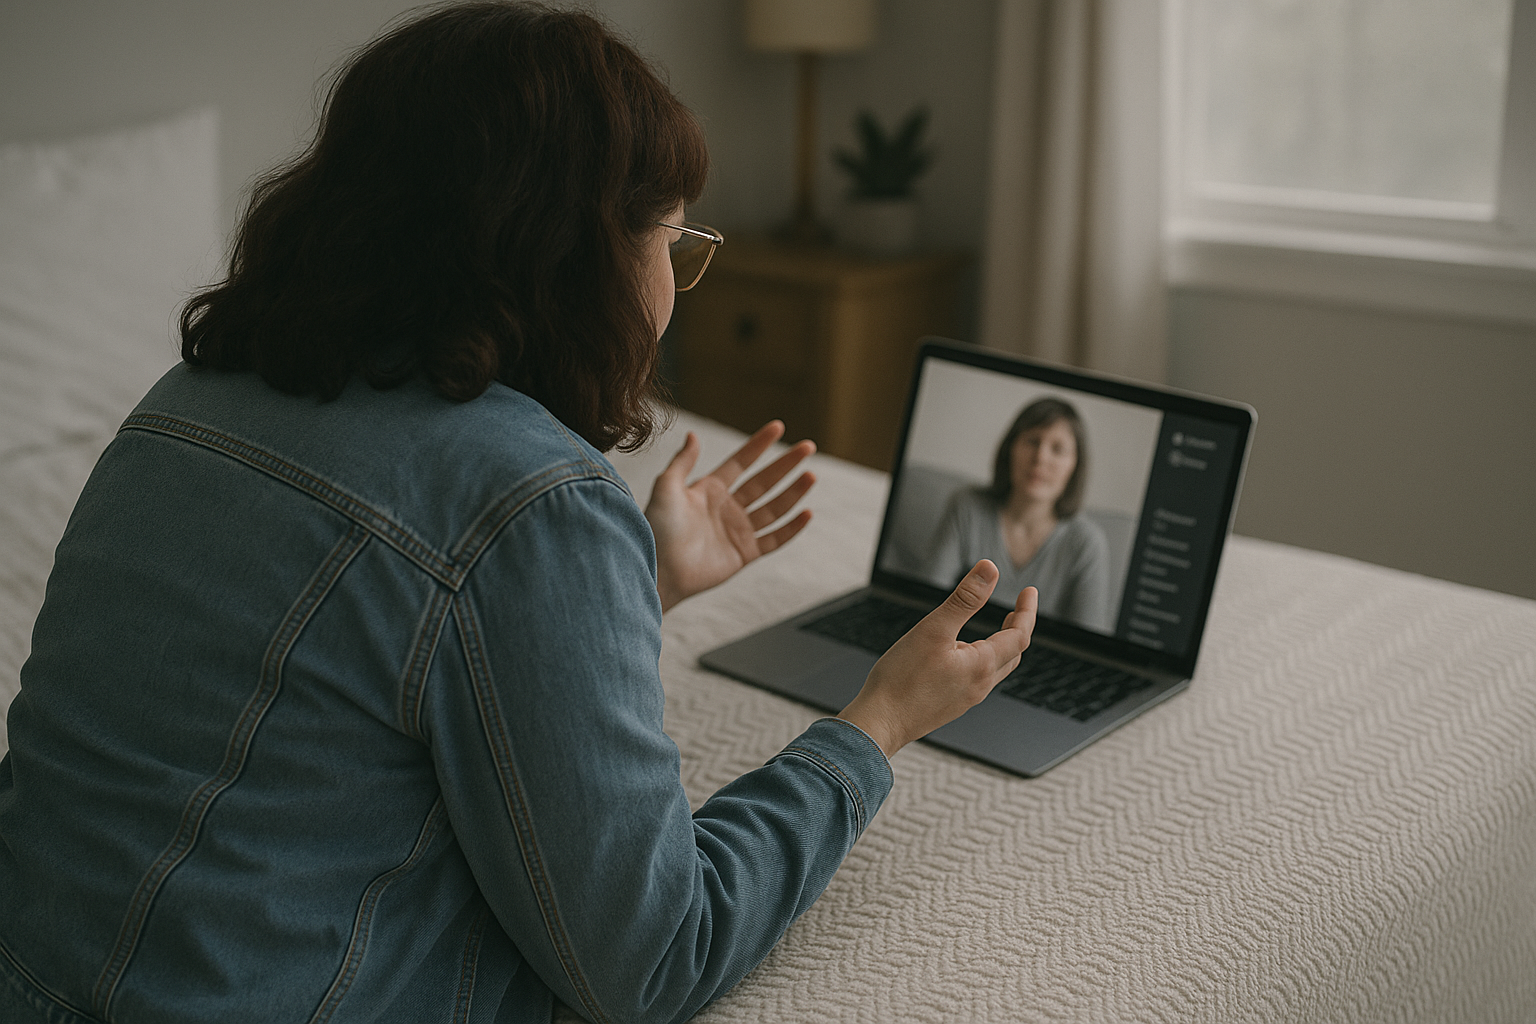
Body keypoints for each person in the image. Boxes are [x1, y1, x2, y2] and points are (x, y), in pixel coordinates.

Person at [0, 5, 1038, 1023]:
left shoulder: (181, 404)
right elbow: (654, 959)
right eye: (673, 241)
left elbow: (353, 654)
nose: (675, 289)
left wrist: (641, 579)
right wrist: (878, 721)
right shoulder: (531, 497)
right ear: (579, 256)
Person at [920, 398, 1113, 632]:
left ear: (1075, 466)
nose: (1040, 458)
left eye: (1057, 449)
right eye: (1032, 441)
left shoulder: (1087, 543)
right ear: (1010, 448)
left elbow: (1088, 640)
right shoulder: (967, 507)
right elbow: (925, 602)